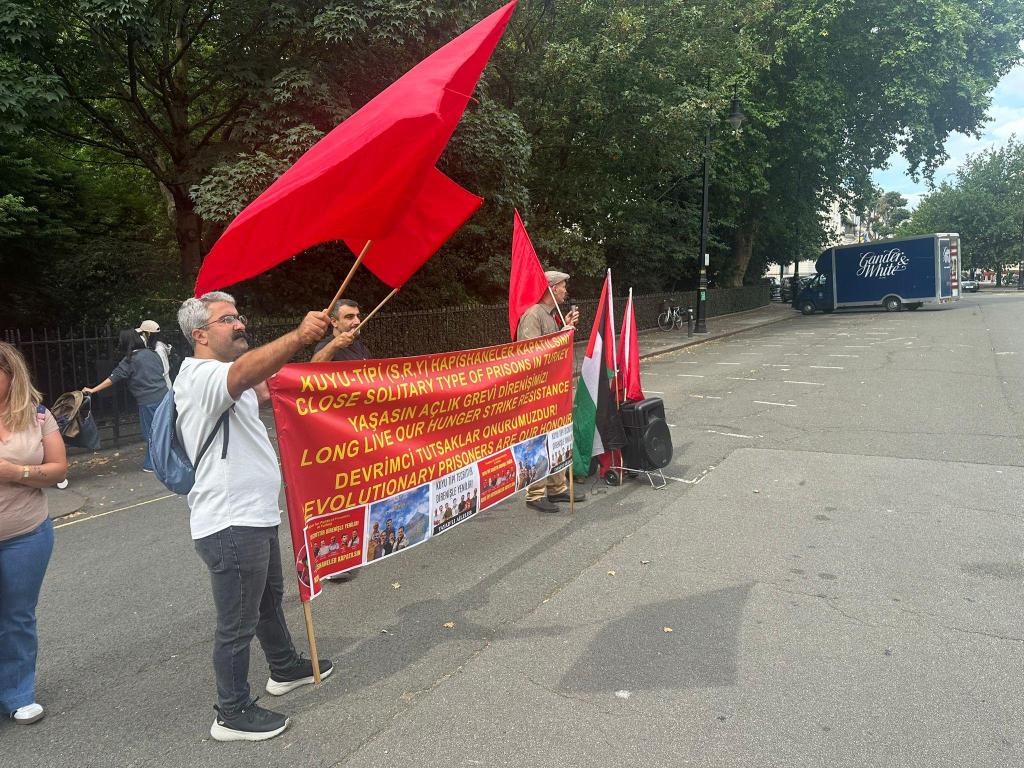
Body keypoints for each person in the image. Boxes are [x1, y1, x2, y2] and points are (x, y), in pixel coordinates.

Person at [175, 291, 333, 742]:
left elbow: (270, 386)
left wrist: (325, 346)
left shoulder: (231, 377)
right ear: (200, 335)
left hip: (253, 515)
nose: (240, 323)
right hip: (230, 521)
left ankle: (283, 667)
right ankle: (231, 711)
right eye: (227, 320)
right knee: (237, 622)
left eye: (239, 316)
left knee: (267, 601)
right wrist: (298, 336)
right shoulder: (200, 375)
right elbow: (246, 372)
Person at [0, 341, 68, 725]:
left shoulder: (38, 416)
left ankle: (17, 693)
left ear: (11, 375)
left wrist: (16, 472)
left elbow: (58, 470)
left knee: (18, 616)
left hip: (27, 534)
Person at [516, 270, 586, 513]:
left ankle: (557, 488)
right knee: (538, 440)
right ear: (552, 288)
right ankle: (535, 494)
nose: (566, 290)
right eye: (563, 286)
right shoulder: (533, 315)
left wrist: (565, 327)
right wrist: (562, 334)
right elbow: (531, 353)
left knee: (557, 437)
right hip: (537, 391)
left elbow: (553, 347)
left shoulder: (551, 315)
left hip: (552, 389)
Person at [83, 326, 169, 472]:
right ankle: (164, 462)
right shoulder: (152, 353)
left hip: (148, 401)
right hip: (164, 396)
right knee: (163, 430)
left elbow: (113, 378)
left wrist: (93, 390)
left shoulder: (130, 360)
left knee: (151, 433)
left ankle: (152, 464)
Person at [310, 298, 371, 363]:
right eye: (349, 317)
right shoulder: (325, 345)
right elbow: (313, 366)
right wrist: (334, 344)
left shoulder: (359, 345)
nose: (357, 321)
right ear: (334, 322)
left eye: (358, 316)